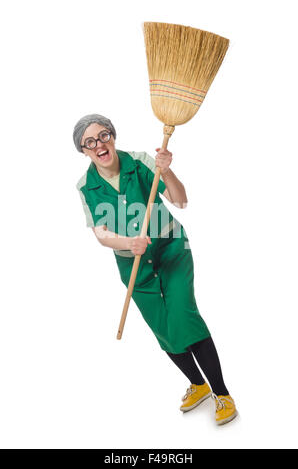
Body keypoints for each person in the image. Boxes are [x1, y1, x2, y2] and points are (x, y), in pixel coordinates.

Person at [74, 113, 238, 426]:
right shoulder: (86, 186)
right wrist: (126, 242)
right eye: (90, 142)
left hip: (171, 250)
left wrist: (167, 170)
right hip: (133, 265)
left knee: (182, 316)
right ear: (84, 151)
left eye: (103, 135)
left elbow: (181, 200)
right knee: (163, 328)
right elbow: (100, 233)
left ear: (113, 136)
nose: (99, 145)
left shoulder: (139, 162)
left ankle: (223, 393)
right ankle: (199, 385)